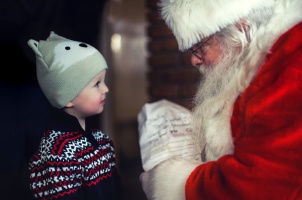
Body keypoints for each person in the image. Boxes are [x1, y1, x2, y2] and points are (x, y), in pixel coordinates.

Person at [139, 0, 302, 199]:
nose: (194, 60)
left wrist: (174, 182)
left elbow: (260, 183)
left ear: (240, 28)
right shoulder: (262, 61)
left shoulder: (292, 60)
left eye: (199, 47)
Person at [27, 31, 122, 199]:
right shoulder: (57, 152)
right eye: (97, 84)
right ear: (67, 97)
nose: (106, 89)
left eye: (104, 82)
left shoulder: (102, 141)